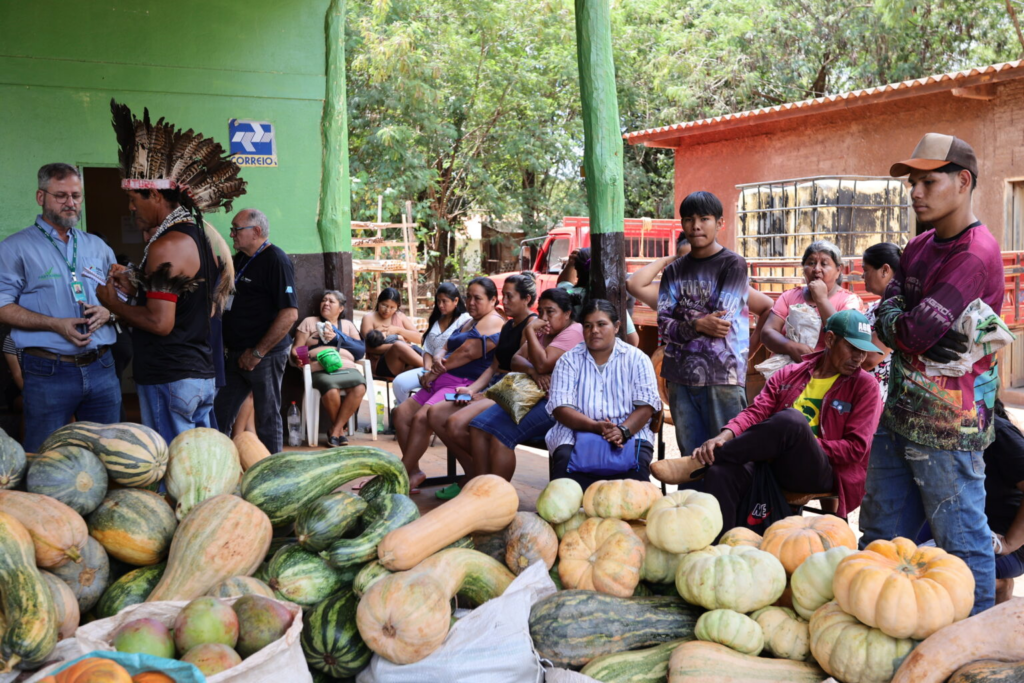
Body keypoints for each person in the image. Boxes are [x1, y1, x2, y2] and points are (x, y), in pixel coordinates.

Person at [859, 133, 1004, 614]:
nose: (915, 193)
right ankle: (882, 625)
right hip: (900, 412)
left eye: (928, 182)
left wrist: (903, 324)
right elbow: (890, 311)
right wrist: (902, 322)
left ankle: (977, 641)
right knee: (880, 538)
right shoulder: (920, 244)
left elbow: (912, 331)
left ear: (963, 181)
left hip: (950, 427)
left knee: (962, 542)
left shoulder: (974, 254)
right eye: (912, 183)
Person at [98, 101, 243, 444]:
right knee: (200, 464)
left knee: (175, 467)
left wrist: (112, 303)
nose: (130, 208)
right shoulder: (197, 237)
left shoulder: (167, 246)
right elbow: (182, 302)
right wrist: (136, 289)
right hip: (194, 376)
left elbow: (160, 323)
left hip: (171, 377)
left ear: (154, 194)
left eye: (134, 199)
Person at [689, 310, 883, 532]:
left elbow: (856, 449)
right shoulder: (789, 374)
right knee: (720, 472)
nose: (859, 358)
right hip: (775, 464)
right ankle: (725, 545)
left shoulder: (865, 386)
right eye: (852, 348)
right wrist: (723, 436)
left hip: (823, 472)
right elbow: (756, 412)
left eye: (863, 351)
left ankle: (713, 457)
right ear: (830, 340)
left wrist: (800, 444)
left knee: (792, 421)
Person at [0, 163, 120, 451]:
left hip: (102, 366)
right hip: (48, 370)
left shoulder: (97, 246)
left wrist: (110, 312)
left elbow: (121, 297)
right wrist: (55, 324)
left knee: (110, 452)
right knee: (46, 455)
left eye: (76, 196)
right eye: (61, 195)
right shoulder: (14, 248)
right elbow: (2, 305)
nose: (70, 203)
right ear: (41, 197)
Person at [654, 191, 752, 456]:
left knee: (728, 456)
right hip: (679, 377)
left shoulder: (733, 264)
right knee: (691, 459)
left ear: (720, 223)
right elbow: (663, 326)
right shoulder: (673, 271)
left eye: (704, 219)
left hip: (722, 376)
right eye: (689, 219)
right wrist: (698, 325)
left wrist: (682, 319)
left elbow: (721, 323)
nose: (696, 226)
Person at [429, 273, 539, 498]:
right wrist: (473, 390)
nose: (504, 302)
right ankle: (476, 474)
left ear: (526, 299)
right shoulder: (508, 325)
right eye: (503, 296)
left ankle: (481, 482)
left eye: (510, 296)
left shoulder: (532, 326)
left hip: (513, 390)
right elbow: (493, 368)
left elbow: (521, 373)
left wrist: (487, 394)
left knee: (456, 423)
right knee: (435, 413)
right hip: (493, 386)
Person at [393, 277, 505, 491]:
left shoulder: (492, 320)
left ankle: (399, 475)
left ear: (492, 300)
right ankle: (413, 471)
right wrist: (438, 357)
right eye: (468, 297)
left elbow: (466, 352)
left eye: (478, 298)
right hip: (443, 378)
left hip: (465, 383)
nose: (471, 302)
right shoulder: (469, 321)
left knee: (421, 418)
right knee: (401, 413)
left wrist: (433, 372)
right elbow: (446, 345)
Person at [467, 287, 583, 481]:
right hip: (530, 395)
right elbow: (516, 360)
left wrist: (529, 330)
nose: (544, 318)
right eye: (541, 312)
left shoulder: (574, 331)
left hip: (556, 403)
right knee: (478, 427)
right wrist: (534, 372)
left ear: (567, 313)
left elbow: (543, 362)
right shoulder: (543, 331)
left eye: (550, 312)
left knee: (500, 437)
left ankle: (497, 492)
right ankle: (480, 486)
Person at [546, 299, 662, 489]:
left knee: (635, 479)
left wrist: (623, 430)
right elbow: (561, 409)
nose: (594, 331)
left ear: (616, 326)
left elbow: (646, 407)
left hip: (629, 431)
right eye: (588, 326)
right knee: (565, 473)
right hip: (576, 430)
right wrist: (595, 427)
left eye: (601, 324)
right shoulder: (568, 360)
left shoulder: (637, 359)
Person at [213, 209, 298, 454]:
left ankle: (274, 471)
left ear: (256, 231)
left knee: (267, 417)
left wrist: (258, 353)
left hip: (264, 355)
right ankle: (218, 466)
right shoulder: (240, 259)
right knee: (220, 414)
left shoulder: (276, 260)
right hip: (235, 353)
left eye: (236, 229)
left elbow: (289, 314)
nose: (231, 234)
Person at [761, 240, 863, 362]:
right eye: (811, 263)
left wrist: (821, 299)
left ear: (838, 270)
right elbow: (767, 332)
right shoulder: (788, 296)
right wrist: (791, 347)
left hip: (825, 369)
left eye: (824, 264)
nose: (816, 269)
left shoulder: (849, 301)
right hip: (786, 369)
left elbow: (845, 339)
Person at [291, 290, 366, 446]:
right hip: (320, 367)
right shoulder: (309, 322)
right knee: (331, 389)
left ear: (341, 308)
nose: (326, 303)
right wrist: (300, 359)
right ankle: (340, 432)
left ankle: (335, 430)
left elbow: (360, 350)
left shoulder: (347, 325)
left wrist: (338, 337)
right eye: (324, 300)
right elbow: (297, 347)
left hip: (346, 367)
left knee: (359, 387)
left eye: (331, 301)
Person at [392, 283, 470, 405]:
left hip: (449, 371)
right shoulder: (437, 318)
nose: (440, 305)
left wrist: (434, 372)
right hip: (429, 368)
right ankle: (404, 409)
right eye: (438, 301)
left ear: (456, 301)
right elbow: (428, 349)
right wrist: (427, 369)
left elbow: (462, 351)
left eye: (444, 301)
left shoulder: (465, 320)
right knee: (399, 383)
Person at [558, 248, 640, 347]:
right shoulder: (611, 298)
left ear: (577, 269)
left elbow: (562, 283)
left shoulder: (567, 293)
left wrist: (570, 264)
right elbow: (633, 341)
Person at [860, 243, 901, 403]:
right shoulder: (877, 306)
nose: (862, 276)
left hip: (877, 399)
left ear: (885, 270)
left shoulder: (898, 308)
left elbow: (870, 357)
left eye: (866, 270)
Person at [360, 288, 423, 380]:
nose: (387, 310)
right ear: (378, 302)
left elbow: (419, 339)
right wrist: (400, 347)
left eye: (392, 307)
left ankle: (430, 367)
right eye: (384, 305)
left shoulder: (400, 316)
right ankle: (431, 368)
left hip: (405, 363)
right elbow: (367, 347)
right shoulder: (369, 318)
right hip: (380, 365)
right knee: (398, 345)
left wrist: (398, 330)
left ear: (397, 306)